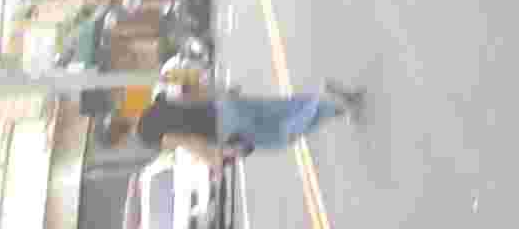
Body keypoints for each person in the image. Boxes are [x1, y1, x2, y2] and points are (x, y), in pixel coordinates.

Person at [136, 85, 364, 161]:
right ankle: (335, 104)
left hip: (228, 129)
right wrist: (224, 92)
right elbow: (193, 96)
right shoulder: (159, 102)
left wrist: (219, 157)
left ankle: (333, 104)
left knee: (282, 134)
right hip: (225, 106)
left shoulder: (154, 137)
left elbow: (192, 142)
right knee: (283, 108)